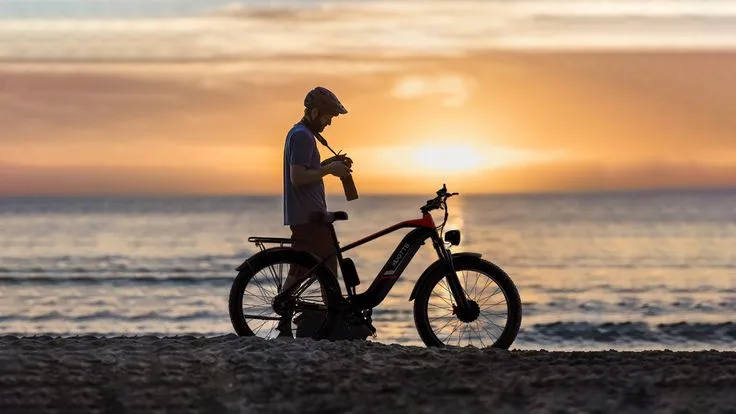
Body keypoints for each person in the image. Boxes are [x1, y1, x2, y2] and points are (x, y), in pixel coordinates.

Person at [279, 86, 363, 338]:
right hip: (308, 216)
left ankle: (323, 319)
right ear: (315, 112)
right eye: (328, 117)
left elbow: (306, 170)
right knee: (310, 269)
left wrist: (328, 165)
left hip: (309, 214)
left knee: (318, 267)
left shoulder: (301, 133)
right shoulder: (303, 136)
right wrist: (329, 170)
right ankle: (321, 320)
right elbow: (297, 177)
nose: (329, 122)